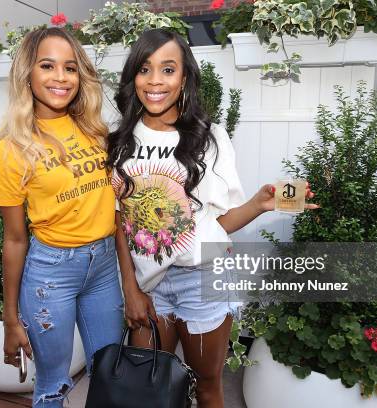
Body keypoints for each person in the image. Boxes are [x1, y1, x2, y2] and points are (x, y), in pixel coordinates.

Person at [107, 29, 318, 407]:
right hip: (146, 284)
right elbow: (121, 223)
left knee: (207, 386)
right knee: (146, 387)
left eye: (168, 69)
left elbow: (213, 226)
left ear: (184, 77)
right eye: (144, 68)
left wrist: (259, 204)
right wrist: (131, 289)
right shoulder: (120, 142)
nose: (155, 80)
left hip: (203, 279)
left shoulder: (211, 138)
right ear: (133, 78)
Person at [0, 27, 123, 408]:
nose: (61, 78)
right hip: (51, 273)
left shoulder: (94, 130)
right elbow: (15, 239)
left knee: (109, 372)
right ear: (27, 75)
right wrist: (11, 318)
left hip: (103, 268)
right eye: (47, 66)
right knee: (53, 384)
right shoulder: (12, 148)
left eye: (70, 68)